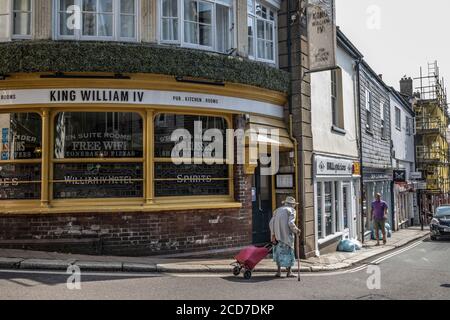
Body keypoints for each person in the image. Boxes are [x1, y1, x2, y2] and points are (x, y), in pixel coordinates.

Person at [269, 196, 301, 278]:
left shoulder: (277, 210)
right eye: (294, 204)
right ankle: (289, 272)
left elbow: (271, 222)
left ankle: (279, 272)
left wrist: (273, 234)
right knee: (289, 253)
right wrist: (296, 230)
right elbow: (290, 223)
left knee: (278, 253)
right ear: (292, 205)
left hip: (277, 236)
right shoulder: (292, 211)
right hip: (287, 236)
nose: (294, 206)